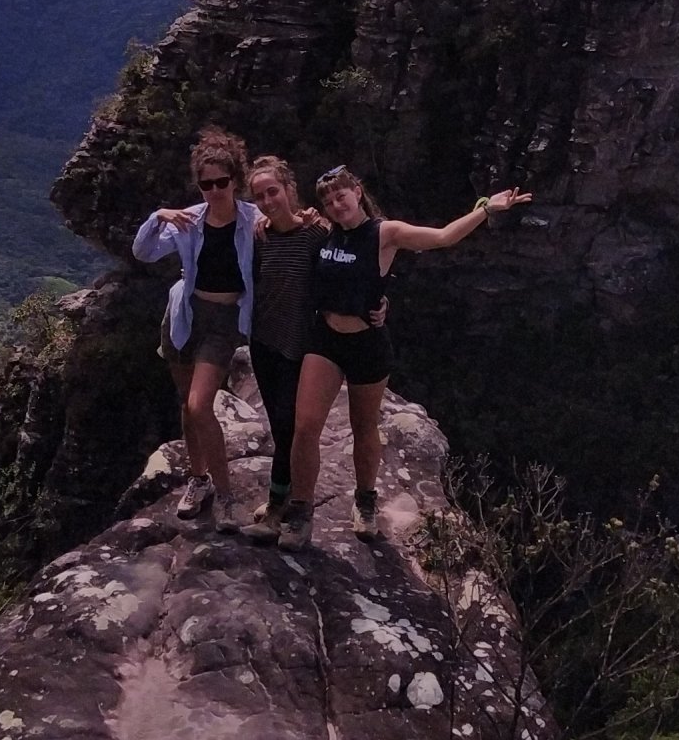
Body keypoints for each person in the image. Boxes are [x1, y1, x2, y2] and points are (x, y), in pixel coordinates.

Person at [277, 167, 532, 552]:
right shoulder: (324, 232)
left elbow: (443, 238)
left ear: (357, 192)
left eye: (341, 197)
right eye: (328, 202)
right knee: (306, 425)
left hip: (367, 344)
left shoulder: (385, 233)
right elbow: (280, 221)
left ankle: (365, 500)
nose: (336, 206)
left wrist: (485, 209)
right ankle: (300, 510)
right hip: (325, 338)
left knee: (364, 426)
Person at [242, 155, 386, 546]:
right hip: (264, 342)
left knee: (292, 426)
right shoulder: (258, 237)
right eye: (259, 196)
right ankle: (282, 497)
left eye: (273, 191)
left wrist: (379, 302)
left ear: (289, 190)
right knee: (280, 427)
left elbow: (358, 267)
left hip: (303, 344)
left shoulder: (317, 234)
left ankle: (279, 509)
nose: (268, 201)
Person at [131, 127, 258, 532]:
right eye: (207, 184)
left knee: (201, 404)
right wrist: (158, 217)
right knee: (187, 405)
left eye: (222, 182)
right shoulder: (190, 220)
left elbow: (293, 240)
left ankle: (226, 496)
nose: (215, 190)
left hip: (224, 321)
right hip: (184, 314)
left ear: (236, 180)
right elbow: (144, 252)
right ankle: (198, 479)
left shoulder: (254, 222)